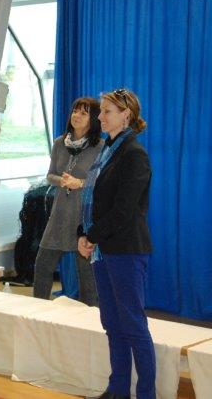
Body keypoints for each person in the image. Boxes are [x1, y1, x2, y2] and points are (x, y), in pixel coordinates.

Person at [77, 88, 154, 399]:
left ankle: (146, 394)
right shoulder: (106, 151)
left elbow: (124, 210)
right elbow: (95, 202)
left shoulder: (134, 154)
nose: (101, 117)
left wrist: (91, 236)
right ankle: (118, 389)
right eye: (101, 111)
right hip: (104, 249)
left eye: (107, 111)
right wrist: (83, 234)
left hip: (126, 250)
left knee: (133, 325)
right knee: (112, 323)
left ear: (126, 115)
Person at [33, 97, 103, 306]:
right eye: (75, 111)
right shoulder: (59, 143)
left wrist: (79, 183)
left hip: (84, 216)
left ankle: (89, 318)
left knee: (87, 274)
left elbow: (103, 182)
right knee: (42, 265)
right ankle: (36, 311)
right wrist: (62, 181)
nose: (76, 116)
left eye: (83, 113)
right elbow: (50, 175)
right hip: (60, 213)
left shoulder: (100, 147)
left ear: (93, 119)